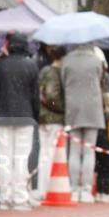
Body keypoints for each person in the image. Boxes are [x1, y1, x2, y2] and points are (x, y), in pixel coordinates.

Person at [0, 33, 40, 211]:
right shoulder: (31, 66)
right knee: (21, 158)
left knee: (4, 158)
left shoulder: (0, 67)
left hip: (3, 115)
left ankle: (4, 197)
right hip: (25, 116)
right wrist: (36, 116)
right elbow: (35, 96)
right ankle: (20, 198)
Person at [61, 43, 107, 202]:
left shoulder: (67, 60)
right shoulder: (96, 60)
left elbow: (63, 81)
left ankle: (73, 188)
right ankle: (86, 190)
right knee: (89, 151)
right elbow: (101, 78)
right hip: (93, 108)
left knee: (74, 151)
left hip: (73, 107)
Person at [36, 46, 66, 199]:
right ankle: (48, 188)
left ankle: (42, 187)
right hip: (55, 118)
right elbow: (52, 96)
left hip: (42, 117)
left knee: (44, 153)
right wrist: (63, 109)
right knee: (53, 154)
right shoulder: (56, 73)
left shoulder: (44, 71)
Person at [94, 93, 109, 203]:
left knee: (101, 170)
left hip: (98, 144)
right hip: (108, 147)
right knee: (107, 171)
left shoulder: (100, 115)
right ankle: (106, 192)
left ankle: (99, 192)